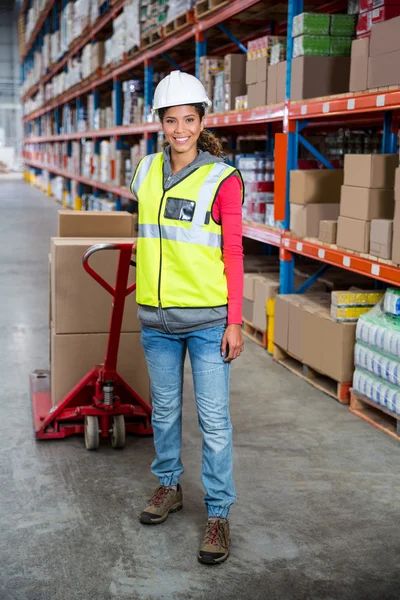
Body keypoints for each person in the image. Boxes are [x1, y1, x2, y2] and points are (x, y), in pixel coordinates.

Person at [130, 71, 244, 565]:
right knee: (164, 412)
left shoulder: (223, 178)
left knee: (214, 421)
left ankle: (217, 514)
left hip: (207, 321)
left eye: (189, 120)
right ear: (161, 122)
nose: (180, 129)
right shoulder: (144, 170)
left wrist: (235, 321)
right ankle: (168, 487)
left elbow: (235, 254)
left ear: (202, 122)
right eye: (172, 120)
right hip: (156, 320)